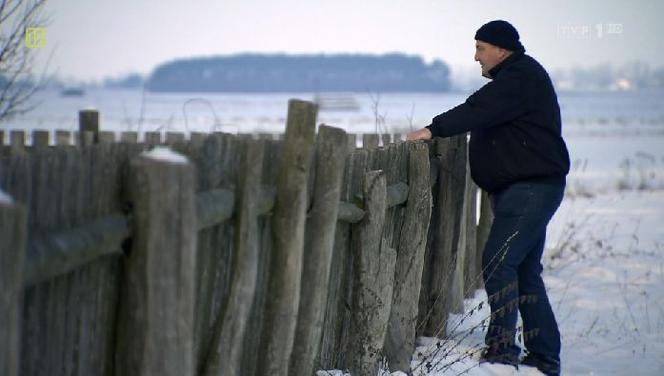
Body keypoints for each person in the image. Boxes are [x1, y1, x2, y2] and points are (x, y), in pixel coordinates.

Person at [407, 20, 569, 376]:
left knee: (498, 263)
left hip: (531, 189)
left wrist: (432, 129)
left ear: (501, 49)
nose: (476, 56)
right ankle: (543, 357)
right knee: (525, 272)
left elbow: (477, 109)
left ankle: (501, 353)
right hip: (527, 189)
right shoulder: (516, 79)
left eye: (481, 48)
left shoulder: (519, 78)